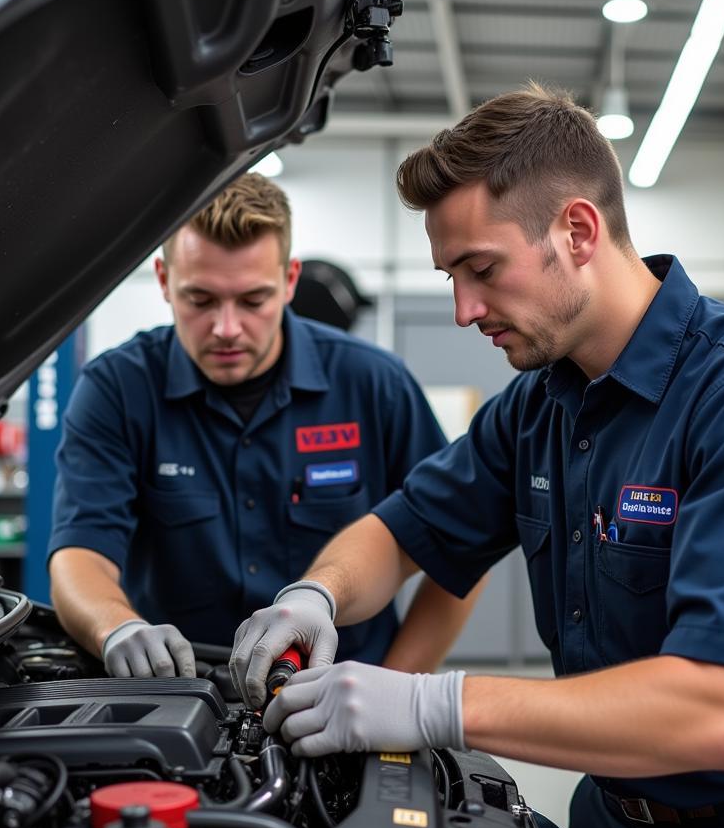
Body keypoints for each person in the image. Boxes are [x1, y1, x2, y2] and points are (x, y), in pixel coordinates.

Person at [230, 86, 724, 828]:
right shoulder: (541, 406)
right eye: (450, 281)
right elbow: (400, 534)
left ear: (578, 232)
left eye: (481, 269)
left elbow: (722, 714)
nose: (465, 309)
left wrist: (432, 704)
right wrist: (312, 596)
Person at [48, 173, 480, 681]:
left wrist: (395, 685)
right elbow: (79, 554)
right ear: (164, 280)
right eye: (201, 300)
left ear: (289, 280)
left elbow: (462, 548)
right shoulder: (117, 389)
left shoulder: (372, 383)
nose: (226, 328)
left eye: (252, 301)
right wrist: (114, 627)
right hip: (181, 700)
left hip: (342, 693)